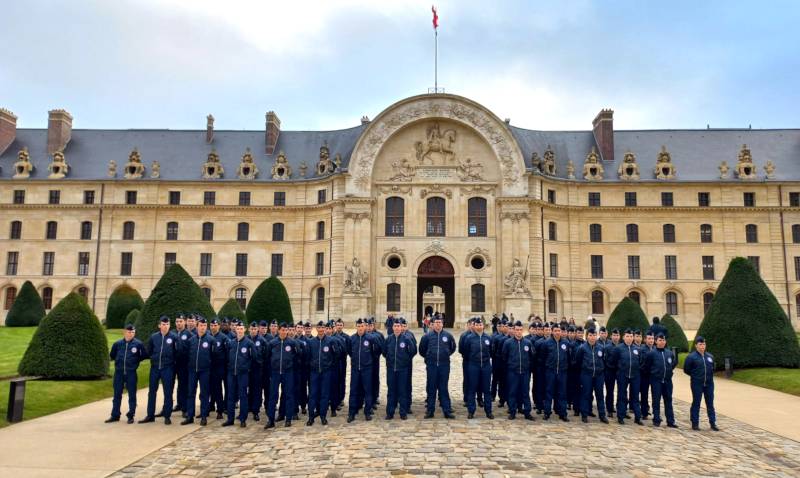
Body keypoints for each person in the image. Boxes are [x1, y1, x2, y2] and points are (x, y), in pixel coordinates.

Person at [140, 316, 178, 425]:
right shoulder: (154, 337)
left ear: (169, 325)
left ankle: (167, 415)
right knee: (152, 392)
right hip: (155, 368)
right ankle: (150, 415)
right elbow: (149, 351)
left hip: (168, 368)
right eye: (163, 324)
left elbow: (177, 352)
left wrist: (171, 363)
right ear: (159, 325)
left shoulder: (174, 337)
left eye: (167, 324)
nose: (165, 326)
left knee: (168, 392)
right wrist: (153, 359)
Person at [106, 324, 147, 424]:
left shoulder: (138, 344)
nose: (131, 334)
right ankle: (115, 415)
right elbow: (112, 355)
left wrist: (135, 361)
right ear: (124, 332)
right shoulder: (117, 344)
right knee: (117, 394)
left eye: (133, 332)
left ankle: (131, 415)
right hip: (119, 373)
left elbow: (144, 355)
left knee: (132, 395)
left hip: (131, 373)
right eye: (129, 332)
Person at [419, 314, 456, 419]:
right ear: (433, 324)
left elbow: (453, 348)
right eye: (436, 323)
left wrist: (446, 353)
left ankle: (447, 410)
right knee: (431, 388)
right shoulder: (427, 336)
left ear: (442, 324)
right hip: (432, 365)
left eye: (440, 322)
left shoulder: (448, 336)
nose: (438, 324)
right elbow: (422, 350)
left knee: (443, 388)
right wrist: (429, 356)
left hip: (444, 365)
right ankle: (430, 411)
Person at [223, 320, 257, 428]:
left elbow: (254, 358)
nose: (239, 331)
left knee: (243, 396)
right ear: (235, 330)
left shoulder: (249, 343)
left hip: (243, 374)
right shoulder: (231, 343)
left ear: (245, 330)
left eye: (241, 329)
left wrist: (247, 368)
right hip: (231, 373)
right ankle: (230, 419)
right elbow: (227, 357)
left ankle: (243, 419)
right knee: (230, 396)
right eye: (238, 329)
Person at [264, 323, 298, 428]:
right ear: (279, 331)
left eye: (285, 330)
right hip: (275, 373)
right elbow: (267, 357)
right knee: (273, 396)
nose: (283, 332)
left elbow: (297, 356)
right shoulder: (272, 343)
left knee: (288, 395)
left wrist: (291, 367)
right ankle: (271, 420)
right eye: (282, 330)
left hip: (288, 372)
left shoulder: (292, 343)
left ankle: (288, 419)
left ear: (287, 331)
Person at [306, 321, 339, 426]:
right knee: (312, 395)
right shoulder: (311, 342)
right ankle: (311, 417)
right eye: (319, 327)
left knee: (325, 395)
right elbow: (307, 357)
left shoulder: (330, 341)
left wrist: (329, 365)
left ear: (325, 329)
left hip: (326, 372)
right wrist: (311, 366)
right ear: (316, 329)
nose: (320, 329)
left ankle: (323, 416)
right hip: (314, 372)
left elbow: (336, 355)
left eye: (322, 327)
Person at [347, 318, 380, 422]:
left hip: (367, 368)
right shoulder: (352, 339)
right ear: (356, 326)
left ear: (365, 327)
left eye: (362, 326)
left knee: (368, 390)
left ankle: (367, 411)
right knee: (353, 391)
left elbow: (376, 351)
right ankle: (352, 413)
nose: (360, 328)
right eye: (359, 326)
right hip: (356, 368)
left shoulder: (370, 338)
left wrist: (369, 361)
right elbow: (349, 351)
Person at [383, 318, 417, 419]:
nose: (397, 328)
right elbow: (384, 352)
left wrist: (405, 360)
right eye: (395, 326)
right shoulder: (388, 339)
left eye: (399, 326)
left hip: (403, 369)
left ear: (401, 327)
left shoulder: (406, 339)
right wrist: (390, 360)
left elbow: (413, 351)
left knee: (402, 391)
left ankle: (403, 412)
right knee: (391, 391)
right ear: (392, 327)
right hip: (391, 369)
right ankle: (390, 412)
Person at [572, 328, 608, 424]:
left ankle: (602, 415)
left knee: (600, 395)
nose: (592, 337)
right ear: (587, 336)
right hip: (586, 375)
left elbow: (604, 361)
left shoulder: (601, 348)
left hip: (598, 375)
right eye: (590, 335)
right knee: (585, 395)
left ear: (597, 336)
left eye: (594, 335)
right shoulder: (582, 348)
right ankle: (584, 414)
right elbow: (578, 362)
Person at [183, 317, 214, 426]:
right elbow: (187, 355)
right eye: (201, 326)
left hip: (205, 371)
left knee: (204, 394)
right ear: (197, 326)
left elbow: (214, 356)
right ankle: (190, 416)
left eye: (204, 326)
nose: (202, 328)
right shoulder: (191, 340)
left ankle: (204, 416)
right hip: (192, 370)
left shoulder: (211, 340)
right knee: (190, 393)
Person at [501, 321, 535, 420]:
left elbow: (532, 357)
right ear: (514, 331)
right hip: (513, 372)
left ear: (522, 330)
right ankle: (512, 411)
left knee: (525, 392)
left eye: (520, 330)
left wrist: (528, 367)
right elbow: (504, 357)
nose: (519, 332)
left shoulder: (528, 343)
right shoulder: (508, 343)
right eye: (517, 330)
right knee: (512, 392)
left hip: (525, 372)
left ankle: (527, 412)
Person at [683, 336, 718, 431]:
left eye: (704, 344)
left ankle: (713, 422)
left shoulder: (710, 356)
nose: (702, 346)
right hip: (697, 383)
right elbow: (686, 369)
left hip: (709, 383)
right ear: (696, 345)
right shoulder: (691, 357)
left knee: (710, 403)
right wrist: (695, 376)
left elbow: (713, 368)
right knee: (696, 402)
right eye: (700, 344)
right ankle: (695, 423)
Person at [610, 329, 643, 425]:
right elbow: (613, 361)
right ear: (624, 337)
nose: (629, 338)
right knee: (622, 396)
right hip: (622, 375)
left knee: (636, 397)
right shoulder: (618, 349)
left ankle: (637, 417)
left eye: (631, 336)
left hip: (635, 375)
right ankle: (621, 416)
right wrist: (619, 370)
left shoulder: (637, 349)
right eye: (627, 336)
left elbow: (641, 362)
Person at [645, 333, 677, 428]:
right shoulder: (651, 354)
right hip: (656, 381)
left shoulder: (669, 353)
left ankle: (670, 421)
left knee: (668, 400)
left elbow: (672, 365)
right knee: (656, 400)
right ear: (656, 341)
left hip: (667, 381)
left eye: (663, 340)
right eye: (660, 340)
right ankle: (656, 419)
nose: (662, 342)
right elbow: (647, 367)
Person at [464, 318, 494, 419]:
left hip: (486, 365)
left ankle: (488, 411)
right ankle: (471, 411)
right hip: (473, 365)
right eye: (477, 325)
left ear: (483, 326)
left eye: (480, 325)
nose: (479, 327)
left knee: (486, 389)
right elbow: (466, 352)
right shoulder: (469, 338)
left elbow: (491, 351)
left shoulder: (488, 338)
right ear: (474, 326)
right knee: (472, 389)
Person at [542, 325, 570, 421]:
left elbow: (568, 358)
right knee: (549, 392)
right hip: (551, 371)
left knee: (562, 393)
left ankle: (563, 413)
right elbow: (543, 357)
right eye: (555, 330)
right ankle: (547, 412)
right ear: (552, 332)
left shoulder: (566, 343)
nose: (557, 332)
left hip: (562, 372)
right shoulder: (546, 343)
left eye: (559, 330)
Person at [208, 318, 228, 420]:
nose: (213, 327)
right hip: (208, 367)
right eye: (211, 325)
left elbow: (227, 353)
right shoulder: (207, 336)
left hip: (219, 367)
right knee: (208, 389)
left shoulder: (223, 338)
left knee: (217, 389)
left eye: (215, 325)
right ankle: (209, 407)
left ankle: (220, 410)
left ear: (219, 326)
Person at [603, 328, 620, 417]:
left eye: (617, 335)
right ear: (611, 336)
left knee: (621, 391)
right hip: (610, 371)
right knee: (610, 390)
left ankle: (619, 407)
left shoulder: (621, 347)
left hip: (619, 372)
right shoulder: (607, 347)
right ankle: (609, 408)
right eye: (614, 335)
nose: (616, 337)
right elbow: (605, 360)